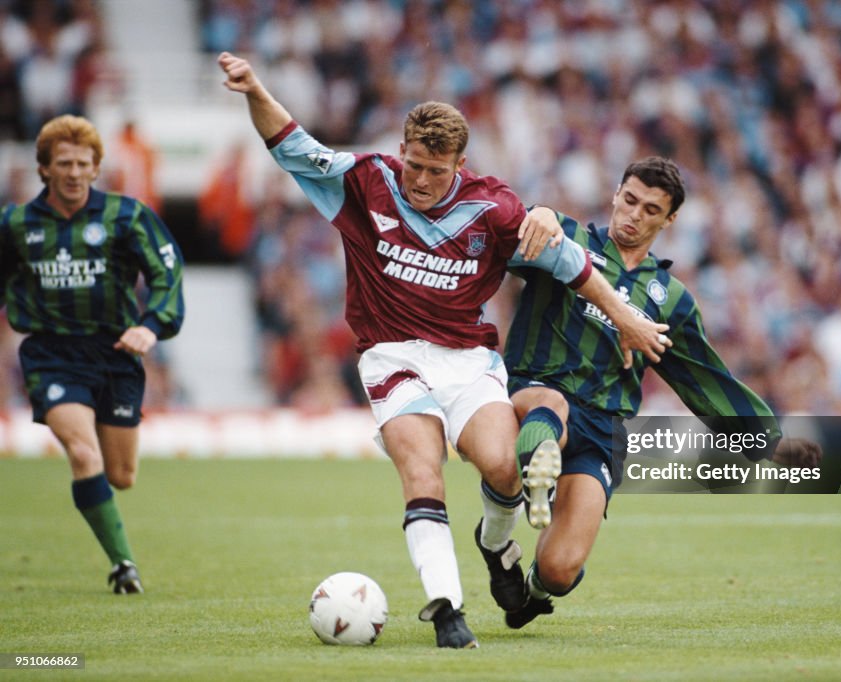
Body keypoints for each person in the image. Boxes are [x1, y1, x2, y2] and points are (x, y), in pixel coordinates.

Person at [217, 52, 668, 649]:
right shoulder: (366, 179)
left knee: (505, 466)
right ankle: (448, 608)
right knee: (422, 469)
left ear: (460, 163)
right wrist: (253, 88)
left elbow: (575, 265)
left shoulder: (496, 209)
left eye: (435, 170)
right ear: (402, 150)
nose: (420, 180)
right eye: (414, 164)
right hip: (389, 356)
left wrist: (627, 318)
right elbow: (289, 141)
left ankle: (495, 546)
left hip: (466, 359)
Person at [502, 156, 822, 628]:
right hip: (537, 393)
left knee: (560, 569)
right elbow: (502, 238)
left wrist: (768, 442)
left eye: (651, 210)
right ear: (615, 194)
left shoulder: (670, 298)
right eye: (629, 200)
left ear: (670, 219)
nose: (634, 215)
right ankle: (515, 509)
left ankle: (531, 586)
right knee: (549, 410)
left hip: (603, 425)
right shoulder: (568, 240)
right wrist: (539, 211)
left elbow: (704, 378)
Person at [0, 114, 185, 594]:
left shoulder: (125, 216)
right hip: (52, 354)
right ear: (44, 168)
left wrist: (151, 326)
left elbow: (167, 272)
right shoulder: (16, 225)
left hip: (116, 352)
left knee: (120, 475)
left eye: (83, 163)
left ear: (96, 166)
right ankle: (123, 565)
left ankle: (111, 530)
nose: (74, 172)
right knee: (84, 454)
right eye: (64, 163)